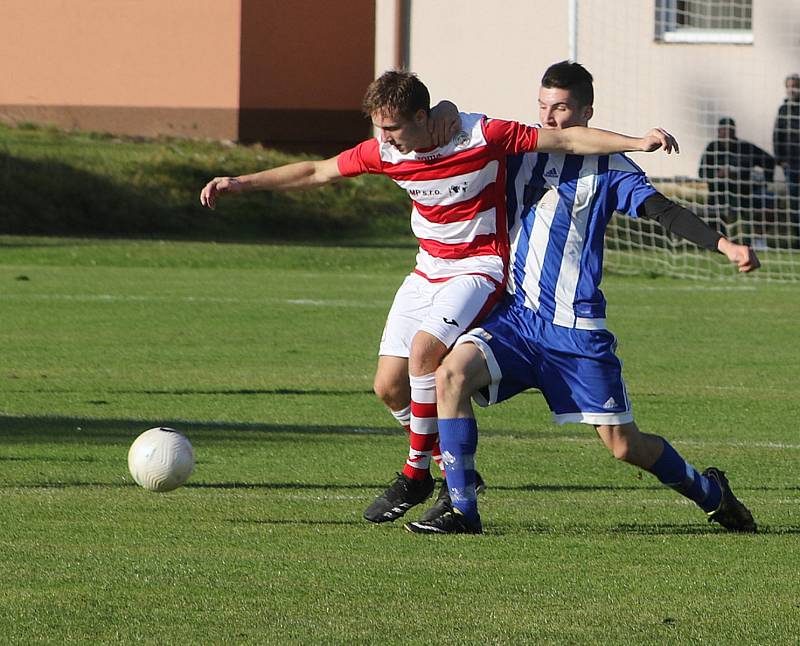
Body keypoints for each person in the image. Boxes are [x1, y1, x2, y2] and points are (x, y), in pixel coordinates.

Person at [200, 69, 678, 525]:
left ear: (424, 117)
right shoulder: (388, 151)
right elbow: (317, 171)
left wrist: (637, 141)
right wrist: (241, 183)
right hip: (427, 269)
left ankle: (417, 477)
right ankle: (439, 465)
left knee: (426, 354)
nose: (384, 140)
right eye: (378, 129)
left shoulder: (481, 136)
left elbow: (570, 139)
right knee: (388, 386)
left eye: (392, 129)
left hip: (480, 267)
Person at [405, 61, 760, 535]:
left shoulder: (612, 167)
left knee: (623, 445)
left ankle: (710, 491)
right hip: (517, 319)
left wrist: (725, 245)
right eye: (543, 107)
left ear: (587, 111)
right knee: (449, 374)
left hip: (575, 332)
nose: (549, 119)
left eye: (561, 109)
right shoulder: (519, 150)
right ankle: (462, 509)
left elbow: (665, 212)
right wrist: (446, 107)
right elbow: (459, 128)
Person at [699, 117, 775, 233]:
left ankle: (759, 238)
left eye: (730, 130)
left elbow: (769, 161)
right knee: (714, 211)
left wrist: (764, 181)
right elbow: (702, 172)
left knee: (770, 199)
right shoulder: (712, 148)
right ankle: (720, 240)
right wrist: (718, 174)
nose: (727, 133)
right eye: (723, 130)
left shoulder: (745, 147)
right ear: (719, 131)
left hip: (745, 193)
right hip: (720, 194)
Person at [772, 73, 800, 240]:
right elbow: (777, 134)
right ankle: (798, 238)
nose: (792, 90)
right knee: (794, 201)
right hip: (791, 163)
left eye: (795, 86)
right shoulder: (783, 110)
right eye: (789, 86)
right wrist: (780, 158)